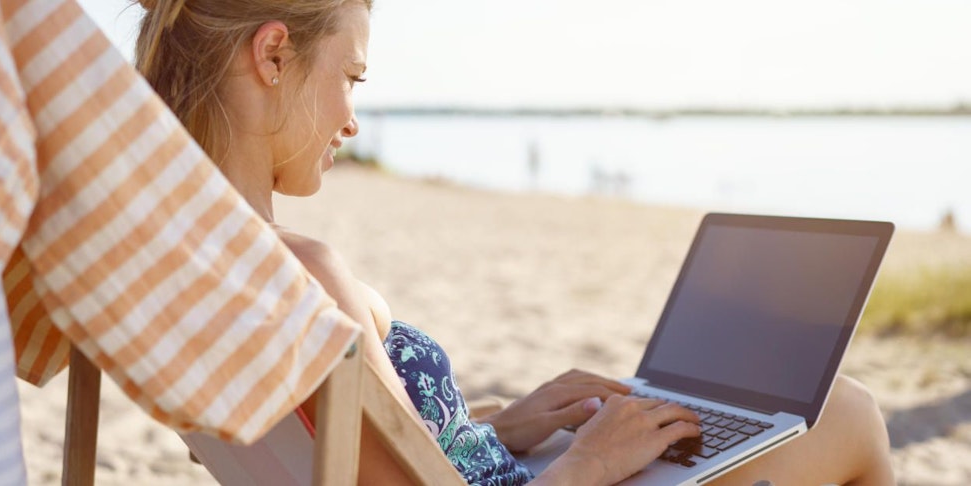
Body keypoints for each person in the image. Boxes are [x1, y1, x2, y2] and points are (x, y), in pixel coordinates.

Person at [133, 1, 895, 484]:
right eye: (352, 77)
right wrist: (591, 461)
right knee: (852, 414)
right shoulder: (303, 273)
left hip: (504, 465)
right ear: (272, 56)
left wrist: (498, 425)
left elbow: (363, 466)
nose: (353, 118)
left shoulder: (179, 266)